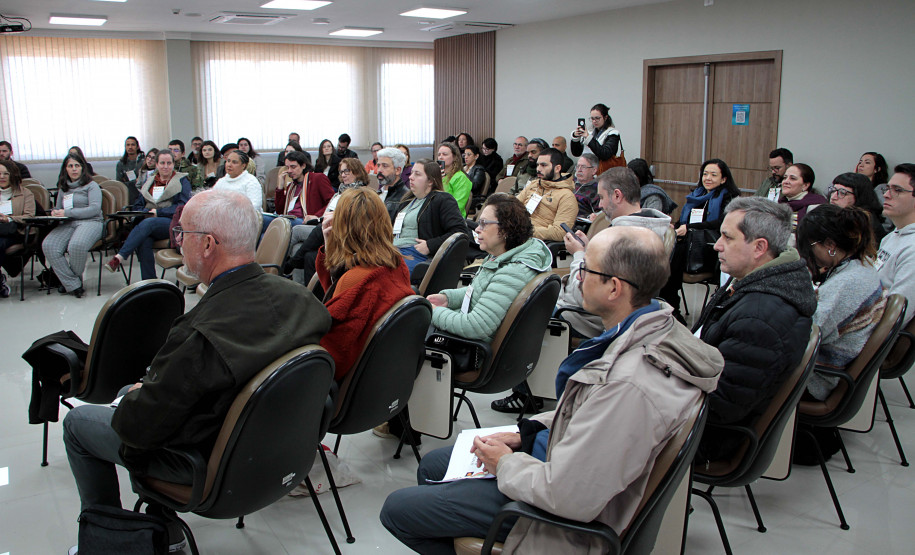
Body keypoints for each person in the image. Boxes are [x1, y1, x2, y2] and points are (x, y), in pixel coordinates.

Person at [380, 226, 723, 555]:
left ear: (614, 288)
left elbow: (569, 496)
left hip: (557, 515)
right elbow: (589, 409)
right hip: (559, 459)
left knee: (397, 509)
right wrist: (528, 431)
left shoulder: (630, 385)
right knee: (437, 464)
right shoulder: (650, 326)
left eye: (586, 268)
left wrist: (506, 464)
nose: (576, 276)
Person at [63, 189, 331, 554]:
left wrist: (135, 398)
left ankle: (109, 539)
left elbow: (137, 430)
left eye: (182, 233)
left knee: (80, 424)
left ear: (207, 244)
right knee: (142, 394)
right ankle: (165, 531)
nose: (177, 240)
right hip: (276, 455)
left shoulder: (198, 335)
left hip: (208, 468)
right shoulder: (304, 301)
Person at [693, 197, 816, 463]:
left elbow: (720, 405)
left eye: (727, 237)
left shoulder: (759, 319)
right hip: (699, 403)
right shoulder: (758, 281)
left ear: (760, 247)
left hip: (706, 436)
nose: (717, 245)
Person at [555, 166, 673, 339]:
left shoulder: (623, 238)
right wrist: (590, 250)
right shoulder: (652, 228)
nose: (600, 204)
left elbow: (583, 296)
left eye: (602, 197)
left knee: (529, 307)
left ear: (617, 195)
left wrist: (579, 254)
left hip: (587, 318)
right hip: (619, 318)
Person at [316, 188, 414, 379]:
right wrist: (331, 249)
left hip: (345, 380)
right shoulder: (396, 263)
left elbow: (332, 356)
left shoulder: (356, 279)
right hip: (381, 376)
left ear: (343, 227)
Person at [430, 194, 551, 341]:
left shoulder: (514, 272)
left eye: (484, 223)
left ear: (506, 229)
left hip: (467, 348)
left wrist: (434, 312)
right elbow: (484, 291)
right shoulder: (504, 255)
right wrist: (448, 299)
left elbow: (475, 327)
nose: (478, 230)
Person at [797, 204, 886, 400]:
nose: (809, 254)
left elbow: (807, 336)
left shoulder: (848, 283)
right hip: (823, 369)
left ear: (830, 245)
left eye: (811, 246)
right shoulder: (861, 265)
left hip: (815, 381)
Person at [660, 158, 740, 323]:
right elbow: (685, 221)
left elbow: (720, 224)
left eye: (713, 175)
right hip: (688, 244)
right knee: (665, 253)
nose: (708, 178)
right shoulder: (697, 195)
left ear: (723, 179)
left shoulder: (729, 199)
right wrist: (676, 225)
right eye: (705, 174)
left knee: (672, 259)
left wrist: (690, 228)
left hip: (710, 248)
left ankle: (672, 308)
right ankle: (668, 305)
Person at [104, 150, 192, 280]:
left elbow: (182, 207)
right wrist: (146, 213)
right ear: (156, 164)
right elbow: (138, 205)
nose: (165, 166)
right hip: (148, 223)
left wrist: (158, 212)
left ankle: (120, 256)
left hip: (172, 223)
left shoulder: (182, 180)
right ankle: (150, 280)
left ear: (174, 164)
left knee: (147, 224)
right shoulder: (150, 182)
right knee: (144, 239)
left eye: (169, 163)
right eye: (162, 163)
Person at [285, 157, 373, 285]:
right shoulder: (340, 192)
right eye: (341, 172)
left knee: (298, 230)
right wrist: (316, 218)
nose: (343, 175)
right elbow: (328, 211)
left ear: (357, 172)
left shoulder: (360, 193)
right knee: (306, 252)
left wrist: (323, 221)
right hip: (325, 223)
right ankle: (299, 287)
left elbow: (348, 217)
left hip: (341, 230)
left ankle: (285, 264)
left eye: (347, 171)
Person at [42, 153, 103, 298]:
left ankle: (70, 284)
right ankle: (73, 283)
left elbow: (94, 209)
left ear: (83, 168)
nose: (74, 169)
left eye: (77, 165)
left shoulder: (92, 186)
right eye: (70, 166)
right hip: (68, 223)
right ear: (65, 169)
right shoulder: (63, 189)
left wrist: (68, 212)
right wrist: (55, 213)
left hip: (91, 222)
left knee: (76, 245)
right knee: (48, 245)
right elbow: (58, 208)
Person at [392, 158, 469, 274]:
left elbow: (460, 231)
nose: (411, 177)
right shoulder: (407, 200)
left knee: (382, 274)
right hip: (395, 250)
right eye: (412, 172)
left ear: (430, 181)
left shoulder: (442, 199)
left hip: (416, 253)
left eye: (417, 174)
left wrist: (430, 245)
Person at [876, 163, 915, 326]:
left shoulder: (912, 249)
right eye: (887, 188)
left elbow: (896, 315)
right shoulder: (892, 236)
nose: (886, 195)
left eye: (897, 190)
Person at [516, 147, 582, 242]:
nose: (538, 169)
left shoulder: (566, 196)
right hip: (517, 234)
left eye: (543, 165)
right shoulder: (534, 184)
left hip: (535, 242)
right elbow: (513, 206)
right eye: (538, 165)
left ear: (557, 168)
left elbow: (560, 232)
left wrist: (525, 231)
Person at [268, 150, 335, 229]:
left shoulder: (317, 178)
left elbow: (332, 202)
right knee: (262, 219)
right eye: (287, 167)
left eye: (293, 167)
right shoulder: (292, 187)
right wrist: (280, 187)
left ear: (303, 166)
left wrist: (316, 216)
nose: (289, 171)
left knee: (278, 224)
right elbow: (280, 211)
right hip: (288, 218)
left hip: (303, 220)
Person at [0, 160, 36, 297]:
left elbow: (29, 216)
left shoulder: (25, 193)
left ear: (13, 175)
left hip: (16, 231)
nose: (2, 177)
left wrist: (8, 218)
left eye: (5, 174)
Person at [827, 172, 888, 243]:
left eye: (842, 193)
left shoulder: (865, 223)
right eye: (833, 190)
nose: (833, 197)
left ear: (859, 196)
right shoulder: (834, 214)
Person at [570, 103, 620, 171]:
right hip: (587, 170)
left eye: (597, 118)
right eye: (592, 118)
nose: (594, 121)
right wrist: (576, 138)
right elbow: (576, 153)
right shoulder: (590, 132)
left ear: (605, 117)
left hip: (603, 171)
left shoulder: (613, 133)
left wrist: (588, 138)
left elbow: (605, 154)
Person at [779, 162, 826, 229]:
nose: (786, 181)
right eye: (785, 177)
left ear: (805, 185)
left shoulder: (815, 206)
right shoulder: (781, 203)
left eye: (792, 178)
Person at [438, 142, 473, 218]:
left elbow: (457, 206)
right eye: (439, 154)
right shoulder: (437, 176)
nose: (440, 157)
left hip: (452, 219)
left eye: (444, 154)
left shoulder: (461, 178)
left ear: (454, 157)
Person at [115, 136, 144, 204]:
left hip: (141, 194)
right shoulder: (121, 164)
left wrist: (127, 182)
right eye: (128, 145)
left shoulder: (143, 162)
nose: (130, 147)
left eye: (133, 145)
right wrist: (135, 181)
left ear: (137, 147)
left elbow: (142, 182)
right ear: (125, 147)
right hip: (127, 195)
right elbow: (119, 184)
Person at [572, 153, 601, 218]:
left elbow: (599, 216)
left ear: (594, 170)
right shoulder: (570, 182)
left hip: (581, 224)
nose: (579, 170)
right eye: (578, 166)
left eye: (583, 167)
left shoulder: (598, 189)